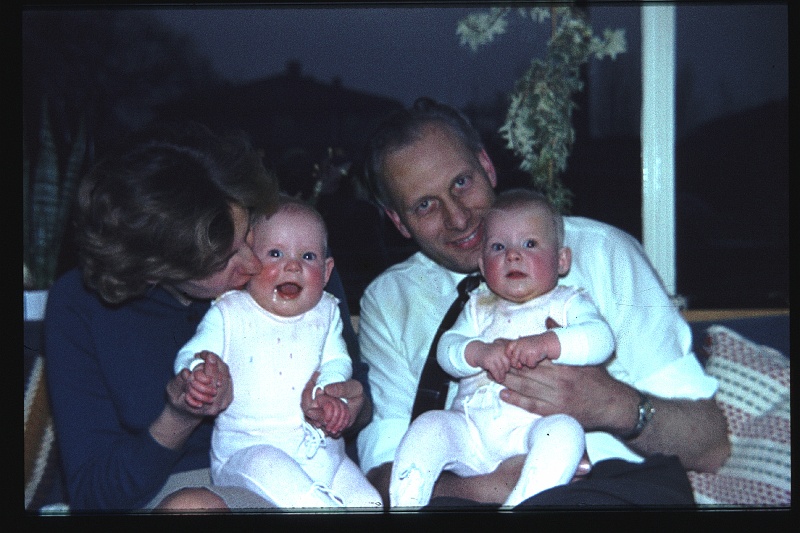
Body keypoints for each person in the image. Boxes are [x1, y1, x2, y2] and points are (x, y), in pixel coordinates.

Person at [356, 97, 730, 508]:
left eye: (462, 183)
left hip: (605, 492)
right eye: (424, 205)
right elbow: (382, 474)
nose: (458, 219)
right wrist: (489, 490)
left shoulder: (604, 254)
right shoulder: (389, 302)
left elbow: (709, 445)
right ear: (398, 222)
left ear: (487, 166)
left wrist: (610, 403)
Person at [44, 122, 369, 511]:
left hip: (313, 470)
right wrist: (179, 417)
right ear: (154, 270)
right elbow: (94, 495)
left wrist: (348, 405)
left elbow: (362, 407)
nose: (253, 264)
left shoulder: (291, 256)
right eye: (224, 259)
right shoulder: (81, 306)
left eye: (247, 233)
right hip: (173, 490)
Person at [389, 189, 615, 508]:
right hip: (471, 431)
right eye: (498, 247)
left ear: (562, 260)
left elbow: (601, 339)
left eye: (530, 244)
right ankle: (407, 504)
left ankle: (524, 505)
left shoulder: (567, 302)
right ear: (482, 265)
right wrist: (478, 352)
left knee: (566, 433)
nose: (512, 255)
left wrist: (549, 343)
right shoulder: (479, 306)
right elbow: (447, 350)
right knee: (428, 426)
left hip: (532, 434)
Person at [174, 196, 381, 509]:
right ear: (250, 265)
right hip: (249, 453)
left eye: (308, 256)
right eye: (275, 253)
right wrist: (200, 373)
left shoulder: (326, 313)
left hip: (324, 455)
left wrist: (330, 393)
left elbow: (337, 361)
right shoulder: (230, 313)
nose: (293, 265)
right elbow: (194, 354)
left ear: (326, 273)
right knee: (301, 494)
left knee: (370, 502)